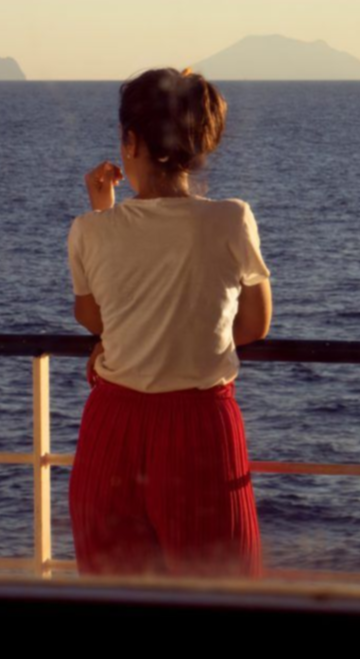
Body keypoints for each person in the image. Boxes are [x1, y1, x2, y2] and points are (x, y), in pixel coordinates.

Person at [67, 67, 272, 578]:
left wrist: (103, 213)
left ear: (131, 141)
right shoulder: (231, 218)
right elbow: (255, 324)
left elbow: (95, 318)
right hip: (200, 433)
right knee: (219, 592)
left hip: (112, 431)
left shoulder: (90, 231)